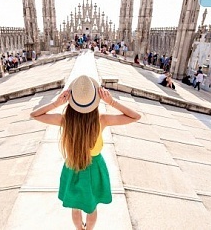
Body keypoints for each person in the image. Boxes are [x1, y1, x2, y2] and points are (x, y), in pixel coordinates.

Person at [30, 75, 141, 230]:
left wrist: (56, 103)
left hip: (73, 166)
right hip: (95, 170)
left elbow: (34, 115)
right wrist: (112, 102)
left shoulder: (64, 120)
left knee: (75, 207)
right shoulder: (102, 120)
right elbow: (136, 116)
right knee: (92, 208)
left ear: (71, 99)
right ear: (94, 100)